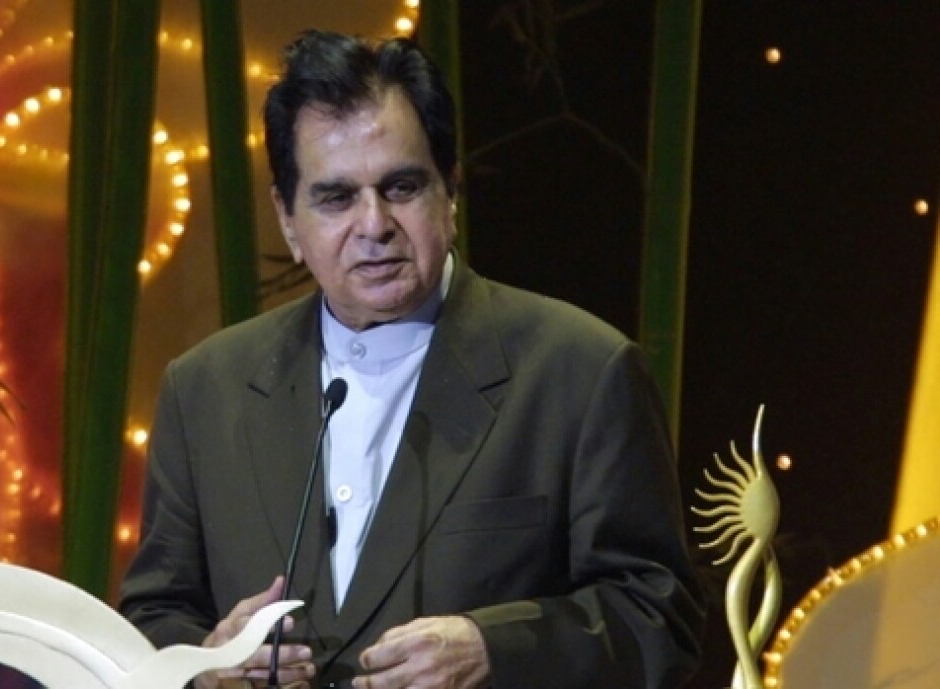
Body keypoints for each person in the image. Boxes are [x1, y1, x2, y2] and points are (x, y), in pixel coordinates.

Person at [120, 29, 704, 689]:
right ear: (287, 219)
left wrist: (495, 649)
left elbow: (659, 618)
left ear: (449, 191)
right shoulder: (205, 389)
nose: (373, 225)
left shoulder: (580, 371)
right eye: (336, 197)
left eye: (401, 187)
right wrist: (204, 661)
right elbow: (153, 617)